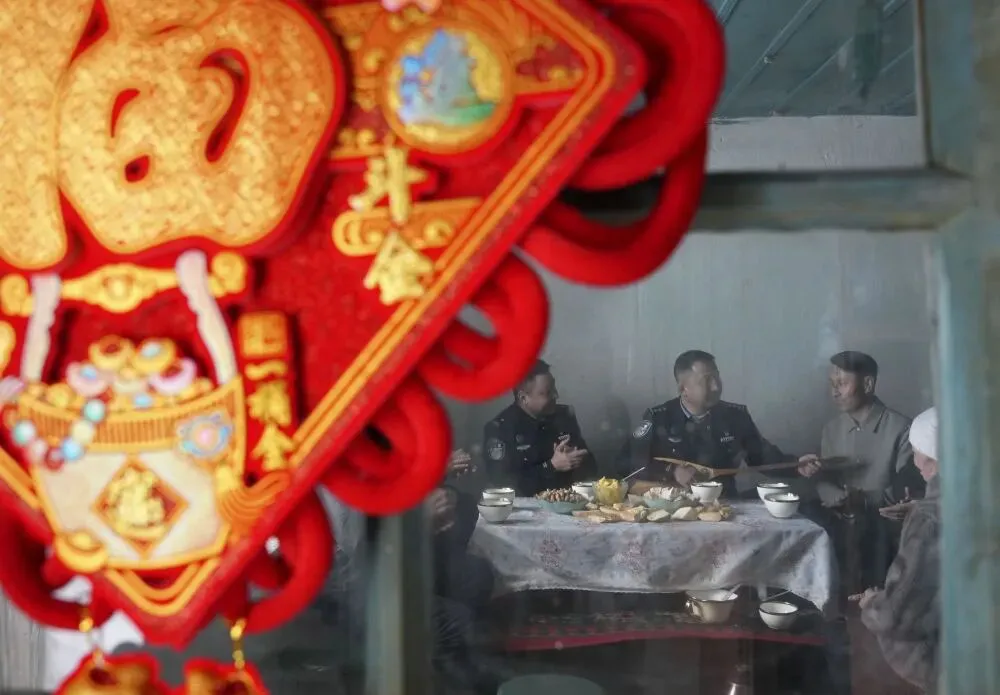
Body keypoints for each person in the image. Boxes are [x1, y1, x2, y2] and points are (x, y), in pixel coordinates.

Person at [797, 351, 924, 589]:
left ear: (868, 384)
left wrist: (863, 500)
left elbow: (905, 486)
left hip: (882, 533)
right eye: (832, 384)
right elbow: (824, 478)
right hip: (838, 526)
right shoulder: (831, 429)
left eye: (842, 384)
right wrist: (836, 497)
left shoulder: (902, 428)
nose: (835, 392)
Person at [619, 350, 793, 498]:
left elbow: (762, 458)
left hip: (724, 506)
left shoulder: (735, 417)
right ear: (683, 389)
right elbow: (626, 462)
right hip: (674, 508)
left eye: (717, 377)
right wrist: (672, 470)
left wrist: (798, 465)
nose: (716, 386)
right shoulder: (659, 417)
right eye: (707, 380)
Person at [854, 407, 940, 693]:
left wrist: (872, 603)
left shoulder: (929, 520)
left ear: (930, 459)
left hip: (947, 662)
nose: (915, 462)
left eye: (916, 452)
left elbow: (897, 616)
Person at [482, 360, 596, 496]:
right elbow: (502, 484)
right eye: (547, 392)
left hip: (567, 500)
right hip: (525, 505)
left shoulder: (564, 416)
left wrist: (576, 460)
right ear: (523, 398)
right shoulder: (501, 428)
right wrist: (551, 466)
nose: (556, 395)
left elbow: (591, 468)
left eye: (554, 388)